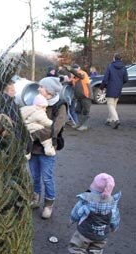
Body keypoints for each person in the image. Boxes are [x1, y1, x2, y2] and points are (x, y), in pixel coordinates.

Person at [64, 173, 121, 254]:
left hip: (84, 232)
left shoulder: (86, 200)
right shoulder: (112, 203)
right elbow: (114, 217)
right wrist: (114, 227)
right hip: (101, 234)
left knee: (78, 246)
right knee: (97, 247)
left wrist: (72, 219)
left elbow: (77, 211)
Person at [28, 76, 67, 218]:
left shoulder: (60, 106)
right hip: (32, 147)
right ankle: (35, 198)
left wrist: (33, 133)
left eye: (41, 87)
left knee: (47, 177)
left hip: (48, 149)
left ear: (49, 91)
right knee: (34, 175)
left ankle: (49, 204)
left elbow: (55, 129)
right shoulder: (36, 101)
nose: (38, 89)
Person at [20, 94, 55, 160]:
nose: (45, 109)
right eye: (44, 107)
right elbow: (44, 121)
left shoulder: (29, 110)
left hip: (28, 129)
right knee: (46, 134)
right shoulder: (39, 112)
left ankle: (26, 154)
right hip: (35, 130)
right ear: (39, 106)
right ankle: (48, 149)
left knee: (29, 143)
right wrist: (52, 123)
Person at [99, 53, 128, 129]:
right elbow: (126, 79)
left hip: (111, 87)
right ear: (121, 59)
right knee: (113, 105)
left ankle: (116, 120)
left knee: (110, 105)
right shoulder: (124, 67)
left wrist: (102, 87)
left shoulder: (110, 66)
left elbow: (105, 79)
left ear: (114, 58)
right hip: (119, 88)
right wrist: (120, 83)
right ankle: (109, 120)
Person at [71, 64, 92, 131]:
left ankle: (85, 125)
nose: (75, 70)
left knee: (86, 111)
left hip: (86, 96)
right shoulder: (74, 78)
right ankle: (80, 124)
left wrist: (71, 70)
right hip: (79, 97)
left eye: (76, 69)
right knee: (77, 110)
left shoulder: (82, 73)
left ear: (79, 68)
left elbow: (80, 75)